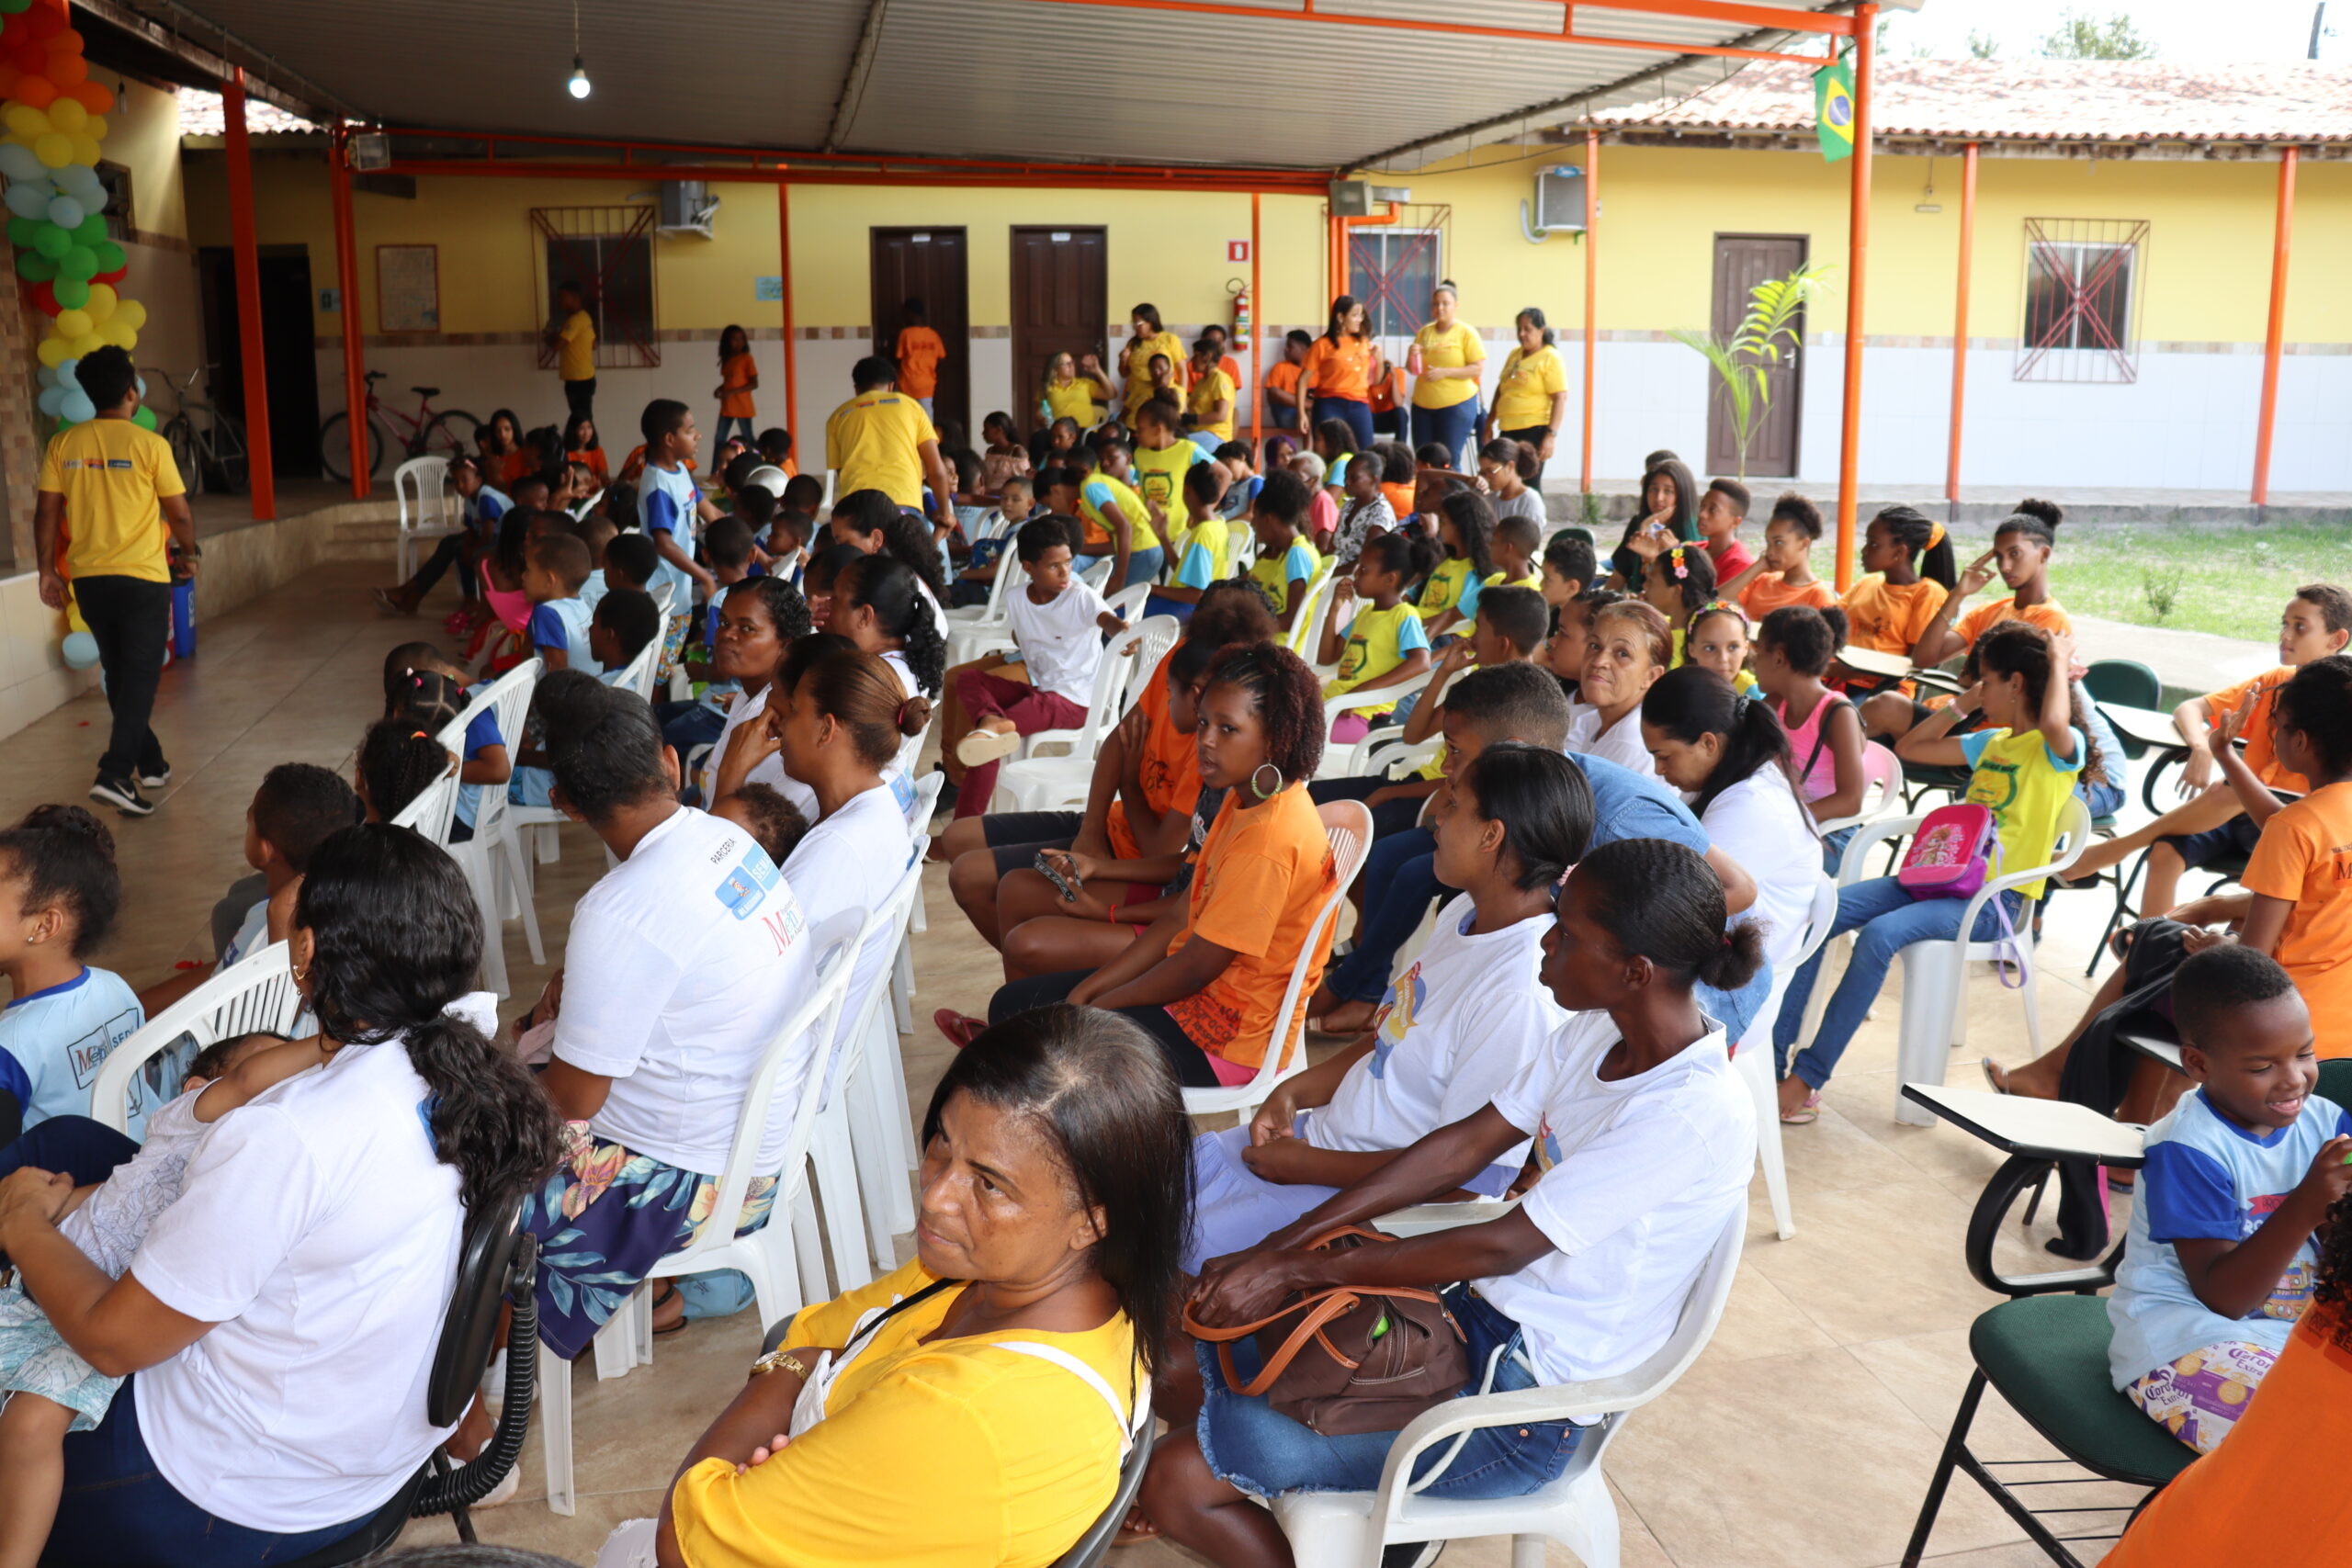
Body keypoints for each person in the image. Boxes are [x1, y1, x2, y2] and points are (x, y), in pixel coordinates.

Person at [1139, 839, 1760, 1561]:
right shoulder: (1601, 1028)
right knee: (1179, 1350)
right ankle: (1362, 1527)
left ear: (1636, 971)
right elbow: (1462, 1146)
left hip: (1526, 1410)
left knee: (1174, 1481)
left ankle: (1326, 1506)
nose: (1548, 941)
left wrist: (1297, 1268)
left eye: (1569, 932)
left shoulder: (1688, 1111)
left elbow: (1507, 1241)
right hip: (1466, 1323)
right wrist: (1285, 1246)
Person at [0, 824, 560, 1563]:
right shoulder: (463, 1062)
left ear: (306, 952)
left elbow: (110, 1341)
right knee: (86, 1146)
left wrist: (24, 1224)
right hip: (374, 1453)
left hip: (231, 1497)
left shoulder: (292, 1136)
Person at [605, 1006, 1186, 1568]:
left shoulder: (970, 1419)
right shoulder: (1007, 1277)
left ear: (1091, 1218)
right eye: (943, 1143)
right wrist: (824, 1409)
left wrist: (795, 1378)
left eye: (990, 1184)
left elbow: (685, 1541)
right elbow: (814, 1330)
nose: (935, 1196)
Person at [1185, 743, 1590, 1270]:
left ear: (1492, 836)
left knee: (1166, 1258)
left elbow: (1468, 1183)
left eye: (1453, 805)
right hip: (1316, 1150)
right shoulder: (1467, 911)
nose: (1436, 822)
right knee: (1132, 1202)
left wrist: (1309, 1165)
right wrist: (1292, 1092)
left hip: (1362, 1204)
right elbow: (1387, 1044)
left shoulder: (1517, 994)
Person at [521, 675, 820, 1354]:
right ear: (671, 761)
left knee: (458, 1188)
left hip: (695, 1179)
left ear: (565, 804)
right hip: (759, 1145)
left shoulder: (618, 909)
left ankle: (477, 1378)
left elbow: (571, 1100)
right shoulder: (729, 841)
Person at [0, 1028, 330, 1568]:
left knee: (31, 1423)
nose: (282, 1090)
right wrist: (327, 1043)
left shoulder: (259, 1171)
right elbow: (110, 1193)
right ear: (196, 1092)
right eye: (277, 1071)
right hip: (31, 1289)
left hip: (97, 1317)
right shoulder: (180, 1128)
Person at [970, 643, 1339, 1090]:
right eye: (1204, 722)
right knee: (1015, 1005)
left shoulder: (1266, 840)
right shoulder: (1243, 797)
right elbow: (1183, 913)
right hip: (1193, 996)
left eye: (1228, 729)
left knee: (1028, 1030)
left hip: (1224, 1041)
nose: (1206, 740)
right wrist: (1094, 991)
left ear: (1275, 738)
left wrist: (1101, 1004)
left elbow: (1195, 968)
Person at [1775, 622, 2094, 1122]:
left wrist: (2056, 661)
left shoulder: (2058, 750)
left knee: (1879, 935)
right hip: (1935, 879)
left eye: (1987, 681)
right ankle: (1774, 1067)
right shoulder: (1991, 742)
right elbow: (1913, 748)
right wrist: (1964, 704)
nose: (1980, 689)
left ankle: (1806, 1079)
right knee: (1822, 909)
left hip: (1991, 902)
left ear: (2017, 683)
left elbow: (2054, 720)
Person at [2106, 944, 2350, 1456]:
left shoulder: (2325, 1123)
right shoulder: (2187, 1149)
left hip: (2295, 1332)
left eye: (2304, 1053)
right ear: (2198, 1063)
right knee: (2297, 1436)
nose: (2294, 1078)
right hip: (2187, 1340)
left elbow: (2335, 1250)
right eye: (2263, 1066)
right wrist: (2307, 1204)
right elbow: (2225, 1297)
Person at [938, 588, 1273, 945]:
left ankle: (1042, 977)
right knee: (958, 839)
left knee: (983, 883)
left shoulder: (1213, 753)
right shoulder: (1185, 661)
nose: (1167, 696)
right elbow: (1119, 740)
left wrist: (1128, 786)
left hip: (1138, 865)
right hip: (1113, 829)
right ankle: (1040, 977)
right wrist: (1091, 832)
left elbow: (1163, 855)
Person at [2060, 583, 2352, 915]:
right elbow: (2191, 708)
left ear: (2336, 640)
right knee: (2165, 853)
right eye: (2284, 624)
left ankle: (2115, 850)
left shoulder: (2340, 702)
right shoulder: (2274, 680)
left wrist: (2223, 757)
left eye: (2300, 627)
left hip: (2296, 830)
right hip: (2237, 815)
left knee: (2228, 792)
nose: (2286, 635)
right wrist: (2201, 748)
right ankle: (2147, 952)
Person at [34, 347, 196, 818]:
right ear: (132, 392)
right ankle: (114, 772)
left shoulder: (63, 446)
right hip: (143, 579)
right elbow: (179, 511)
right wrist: (190, 554)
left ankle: (151, 762)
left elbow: (47, 510)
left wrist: (47, 570)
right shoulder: (150, 445)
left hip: (89, 579)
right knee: (141, 676)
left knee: (121, 673)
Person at [757, 638, 928, 1049]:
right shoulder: (874, 807)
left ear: (826, 729)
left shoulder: (835, 851)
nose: (780, 723)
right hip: (810, 1037)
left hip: (784, 1062)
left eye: (794, 711)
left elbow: (754, 974)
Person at [1641, 665, 1821, 1055]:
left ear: (1709, 744)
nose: (1658, 769)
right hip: (1714, 974)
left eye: (1664, 755)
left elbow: (1677, 904)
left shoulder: (1751, 803)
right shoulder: (1736, 781)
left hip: (1729, 999)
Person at [1864, 501, 2072, 741]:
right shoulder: (1989, 611)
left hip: (1982, 730)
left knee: (1883, 707)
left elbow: (2003, 687)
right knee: (1860, 721)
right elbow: (1924, 658)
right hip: (1949, 715)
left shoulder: (2050, 619)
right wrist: (1957, 595)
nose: (2005, 566)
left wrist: (1971, 677)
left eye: (2015, 554)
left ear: (2043, 554)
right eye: (1998, 556)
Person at [0, 807, 139, 1137]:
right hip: (142, 1157)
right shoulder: (116, 987)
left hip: (76, 1185)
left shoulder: (11, 1046)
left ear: (45, 925)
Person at [1752, 605, 1866, 862]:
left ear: (1779, 658)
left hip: (1829, 833)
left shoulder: (1837, 714)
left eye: (1758, 652)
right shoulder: (1773, 704)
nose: (1754, 662)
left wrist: (1788, 820)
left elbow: (1851, 800)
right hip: (1785, 819)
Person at [1317, 532, 1436, 744]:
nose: (1356, 574)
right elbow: (1326, 659)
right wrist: (1335, 611)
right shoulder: (1366, 613)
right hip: (1336, 706)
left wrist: (1359, 693)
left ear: (1390, 578)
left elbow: (1421, 662)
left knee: (1295, 735)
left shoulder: (1404, 615)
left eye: (1363, 569)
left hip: (1364, 717)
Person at [824, 357, 957, 544]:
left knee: (864, 572)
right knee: (911, 569)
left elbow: (842, 472)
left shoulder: (838, 416)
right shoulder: (911, 407)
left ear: (856, 388)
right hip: (903, 506)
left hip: (857, 511)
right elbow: (936, 470)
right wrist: (945, 514)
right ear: (891, 385)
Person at [1835, 505, 1958, 676]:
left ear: (1899, 552)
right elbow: (1832, 627)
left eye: (1874, 544)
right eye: (1867, 542)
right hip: (1839, 679)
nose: (1864, 551)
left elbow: (1913, 662)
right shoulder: (1867, 584)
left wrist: (1836, 671)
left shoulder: (1928, 594)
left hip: (1885, 688)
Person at [1568, 600, 1672, 778]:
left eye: (1623, 654)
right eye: (1595, 646)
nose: (1599, 661)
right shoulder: (1589, 721)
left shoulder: (1632, 742)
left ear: (1651, 676)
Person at [1480, 308, 1567, 489]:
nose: (1522, 334)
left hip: (1534, 429)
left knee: (1529, 483)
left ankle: (1534, 518)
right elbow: (1501, 388)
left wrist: (1551, 435)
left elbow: (1560, 397)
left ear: (1541, 331)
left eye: (1527, 329)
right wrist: (1489, 423)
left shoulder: (1550, 357)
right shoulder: (1515, 354)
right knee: (1506, 482)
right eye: (1519, 329)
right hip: (1508, 428)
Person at [1721, 491, 1836, 623]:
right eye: (1768, 542)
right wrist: (1756, 568)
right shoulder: (1761, 580)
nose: (1770, 551)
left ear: (1804, 543)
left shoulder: (1818, 595)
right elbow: (1714, 604)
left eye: (1778, 543)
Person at [1407, 281, 1485, 466]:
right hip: (1422, 406)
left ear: (1455, 306)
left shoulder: (1466, 333)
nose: (1439, 308)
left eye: (1445, 303)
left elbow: (1477, 368)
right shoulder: (1424, 332)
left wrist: (1445, 372)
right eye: (1435, 304)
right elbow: (1412, 369)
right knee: (1423, 459)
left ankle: (1453, 494)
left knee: (1448, 460)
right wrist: (1412, 356)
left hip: (1456, 406)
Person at [1147, 462, 1235, 619]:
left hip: (1190, 610)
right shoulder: (1219, 525)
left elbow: (1197, 594)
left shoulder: (1203, 533)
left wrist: (1152, 589)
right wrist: (1163, 537)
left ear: (1187, 490)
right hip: (1200, 607)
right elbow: (1186, 575)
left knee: (1121, 616)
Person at [1295, 295, 1384, 449]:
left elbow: (1376, 381)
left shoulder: (1363, 342)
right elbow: (1303, 380)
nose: (1359, 320)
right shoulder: (1322, 345)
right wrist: (1301, 413)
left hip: (1360, 405)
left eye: (1361, 315)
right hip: (1330, 404)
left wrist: (1379, 360)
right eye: (1354, 315)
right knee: (1328, 453)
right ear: (1341, 317)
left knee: (1365, 453)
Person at [1242, 470, 1321, 635]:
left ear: (1269, 519)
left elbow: (1291, 620)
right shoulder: (1283, 552)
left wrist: (1244, 627)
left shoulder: (1297, 555)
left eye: (1255, 516)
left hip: (1275, 646)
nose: (1252, 523)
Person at [1608, 457, 1702, 592]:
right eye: (1653, 489)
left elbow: (1688, 587)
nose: (1659, 498)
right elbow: (1618, 576)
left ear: (1682, 495)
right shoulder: (1639, 523)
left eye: (1668, 491)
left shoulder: (1695, 531)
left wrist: (1669, 552)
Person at [1414, 491, 1498, 640]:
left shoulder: (1475, 571)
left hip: (1445, 636)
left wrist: (1414, 624)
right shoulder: (1443, 560)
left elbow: (1457, 616)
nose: (1440, 526)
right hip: (1418, 626)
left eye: (1444, 521)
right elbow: (1411, 593)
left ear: (1462, 526)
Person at [523, 533, 602, 677]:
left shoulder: (547, 613)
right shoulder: (581, 605)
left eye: (528, 570)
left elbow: (557, 675)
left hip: (569, 695)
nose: (523, 576)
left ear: (549, 580)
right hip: (590, 688)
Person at [1118, 304, 1188, 423]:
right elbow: (1124, 373)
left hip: (1162, 393)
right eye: (1133, 324)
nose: (1135, 327)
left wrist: (1183, 397)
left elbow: (1182, 370)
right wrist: (1123, 360)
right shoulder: (1133, 343)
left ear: (1150, 322)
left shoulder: (1169, 339)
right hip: (1137, 395)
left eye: (1139, 324)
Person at [1327, 446, 1393, 570]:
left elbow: (1365, 562)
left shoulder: (1381, 514)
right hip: (1333, 572)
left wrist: (1328, 576)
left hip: (1355, 579)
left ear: (1374, 480)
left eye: (1354, 478)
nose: (1347, 482)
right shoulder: (1348, 506)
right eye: (1346, 476)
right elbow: (1332, 547)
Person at [550, 279, 597, 421]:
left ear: (574, 297)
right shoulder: (585, 317)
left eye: (562, 297)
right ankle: (589, 442)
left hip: (579, 380)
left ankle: (592, 443)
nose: (559, 301)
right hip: (583, 378)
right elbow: (594, 344)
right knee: (582, 420)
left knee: (582, 422)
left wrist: (548, 337)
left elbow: (557, 345)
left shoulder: (575, 320)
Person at [893, 298, 945, 417]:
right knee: (926, 419)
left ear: (909, 313)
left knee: (906, 417)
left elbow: (898, 357)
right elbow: (941, 358)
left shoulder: (905, 334)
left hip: (907, 384)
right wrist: (930, 371)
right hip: (927, 384)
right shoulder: (933, 335)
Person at [1697, 478, 1754, 581]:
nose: (1702, 514)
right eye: (1702, 506)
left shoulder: (1740, 564)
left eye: (1712, 510)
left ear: (1735, 522)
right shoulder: (1694, 549)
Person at [1040, 350, 1111, 431]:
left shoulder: (1084, 384)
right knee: (1039, 437)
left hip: (1086, 432)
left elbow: (1111, 394)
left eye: (1072, 362)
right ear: (1055, 370)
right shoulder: (1047, 387)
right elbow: (1040, 412)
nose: (1071, 366)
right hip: (1060, 433)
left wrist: (1097, 370)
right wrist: (1043, 420)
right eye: (1066, 364)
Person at [712, 323, 758, 446]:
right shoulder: (727, 360)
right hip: (727, 407)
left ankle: (757, 462)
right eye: (735, 339)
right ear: (727, 341)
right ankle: (717, 466)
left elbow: (754, 384)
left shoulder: (747, 359)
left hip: (742, 406)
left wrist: (731, 392)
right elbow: (730, 382)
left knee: (748, 438)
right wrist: (720, 389)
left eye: (741, 339)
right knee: (719, 439)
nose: (739, 342)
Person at [1185, 339, 1237, 445]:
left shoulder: (1220, 378)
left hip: (1215, 435)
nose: (1192, 360)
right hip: (1197, 432)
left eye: (1196, 356)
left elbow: (1220, 415)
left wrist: (1191, 419)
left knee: (1177, 444)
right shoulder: (1200, 382)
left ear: (1207, 357)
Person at [565, 411, 607, 484]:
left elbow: (604, 478)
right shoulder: (566, 452)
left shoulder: (597, 450)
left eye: (589, 427)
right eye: (582, 428)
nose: (586, 432)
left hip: (594, 494)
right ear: (573, 431)